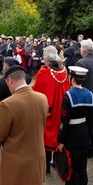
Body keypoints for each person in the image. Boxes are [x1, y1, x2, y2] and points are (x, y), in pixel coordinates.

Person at [55, 66, 93, 185]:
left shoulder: (68, 95)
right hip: (84, 135)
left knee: (71, 168)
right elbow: (91, 120)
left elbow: (64, 121)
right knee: (82, 167)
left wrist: (61, 141)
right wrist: (89, 137)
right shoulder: (89, 94)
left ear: (72, 79)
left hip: (71, 136)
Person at [33, 45, 70, 173]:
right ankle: (57, 162)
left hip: (48, 110)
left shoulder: (45, 72)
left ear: (47, 57)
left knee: (47, 136)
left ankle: (46, 165)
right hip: (61, 108)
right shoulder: (64, 71)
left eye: (44, 55)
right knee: (58, 133)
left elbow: (37, 91)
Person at [76, 39, 93, 152]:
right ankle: (92, 147)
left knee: (84, 121)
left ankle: (85, 147)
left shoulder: (81, 63)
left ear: (84, 51)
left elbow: (78, 82)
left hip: (83, 97)